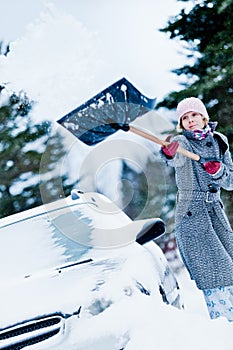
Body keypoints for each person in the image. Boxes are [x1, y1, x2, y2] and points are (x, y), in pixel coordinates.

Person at [160, 97, 233, 322]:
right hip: (192, 214)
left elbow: (230, 182)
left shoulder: (220, 141)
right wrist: (169, 153)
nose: (190, 121)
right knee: (215, 272)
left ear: (203, 117)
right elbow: (175, 159)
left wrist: (218, 171)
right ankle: (224, 323)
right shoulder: (182, 142)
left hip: (216, 212)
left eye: (194, 115)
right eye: (185, 118)